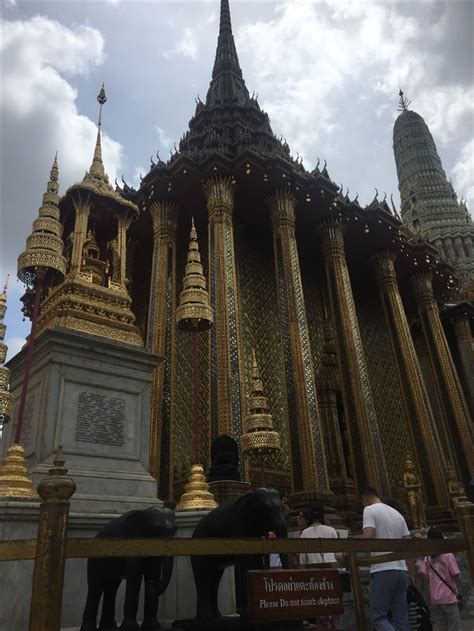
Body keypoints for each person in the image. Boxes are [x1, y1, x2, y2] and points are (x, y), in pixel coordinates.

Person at [362, 486, 410, 630]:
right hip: (401, 570)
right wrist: (410, 571)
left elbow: (369, 535)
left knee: (379, 618)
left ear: (365, 499)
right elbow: (408, 543)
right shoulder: (397, 514)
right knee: (401, 619)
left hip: (382, 568)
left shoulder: (369, 510)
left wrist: (356, 547)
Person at [298, 504, 339, 630]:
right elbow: (338, 553)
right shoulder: (331, 530)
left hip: (314, 575)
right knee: (333, 604)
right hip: (332, 572)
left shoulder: (305, 533)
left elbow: (303, 559)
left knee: (320, 606)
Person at [416, 528, 461, 631]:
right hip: (449, 595)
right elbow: (456, 574)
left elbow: (425, 575)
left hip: (435, 598)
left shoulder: (428, 557)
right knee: (454, 625)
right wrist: (454, 587)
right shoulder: (448, 555)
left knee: (440, 625)